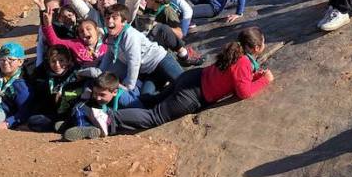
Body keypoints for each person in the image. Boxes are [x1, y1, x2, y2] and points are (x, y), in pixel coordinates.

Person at [116, 28, 273, 133]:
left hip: (192, 78)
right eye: (264, 42)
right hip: (193, 95)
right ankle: (111, 119)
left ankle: (117, 100)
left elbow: (235, 77)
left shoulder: (236, 52)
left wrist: (254, 76)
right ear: (257, 48)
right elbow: (244, 92)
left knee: (154, 100)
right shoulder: (244, 61)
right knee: (155, 117)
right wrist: (264, 80)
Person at [101, 4, 185, 103]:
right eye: (107, 18)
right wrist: (100, 74)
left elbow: (134, 61)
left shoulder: (130, 35)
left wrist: (129, 85)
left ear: (124, 21)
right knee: (146, 99)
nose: (110, 21)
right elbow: (108, 57)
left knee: (184, 83)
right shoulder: (110, 38)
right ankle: (167, 86)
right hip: (150, 73)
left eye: (114, 18)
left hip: (161, 61)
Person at [61, 73, 124, 141]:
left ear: (115, 92)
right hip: (81, 113)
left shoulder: (123, 99)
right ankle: (83, 129)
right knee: (80, 109)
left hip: (105, 118)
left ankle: (66, 125)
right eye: (95, 93)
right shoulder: (89, 100)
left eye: (102, 95)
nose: (97, 98)